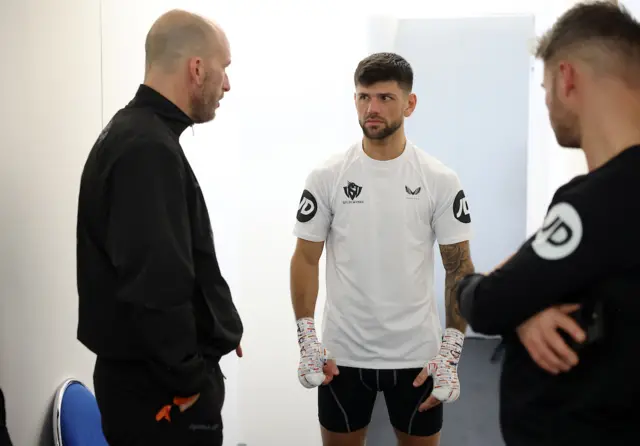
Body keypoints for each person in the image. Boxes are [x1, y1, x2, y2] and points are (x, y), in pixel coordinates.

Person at [456, 2, 640, 446]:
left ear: (567, 78)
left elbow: (486, 301)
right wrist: (526, 303)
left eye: (545, 89)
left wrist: (495, 294)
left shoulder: (594, 204)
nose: (547, 102)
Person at [75, 9, 243, 446]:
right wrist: (192, 382)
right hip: (160, 395)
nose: (227, 85)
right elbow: (155, 286)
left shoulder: (138, 135)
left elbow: (169, 256)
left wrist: (215, 323)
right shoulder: (146, 150)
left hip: (150, 385)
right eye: (224, 69)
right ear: (197, 68)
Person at [290, 52, 475, 446]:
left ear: (409, 103)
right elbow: (306, 258)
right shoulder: (327, 176)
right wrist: (307, 337)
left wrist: (451, 350)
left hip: (417, 358)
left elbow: (458, 268)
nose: (371, 108)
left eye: (385, 98)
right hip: (342, 358)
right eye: (363, 96)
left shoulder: (440, 179)